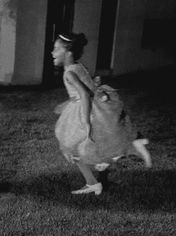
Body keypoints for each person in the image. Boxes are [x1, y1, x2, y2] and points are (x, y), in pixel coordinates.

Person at [51, 32, 151, 195]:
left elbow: (83, 94)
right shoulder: (78, 66)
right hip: (97, 105)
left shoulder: (69, 72)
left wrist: (85, 121)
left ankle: (93, 183)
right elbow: (88, 87)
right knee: (100, 142)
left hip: (86, 109)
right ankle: (133, 144)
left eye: (56, 49)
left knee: (70, 145)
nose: (52, 53)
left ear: (68, 52)